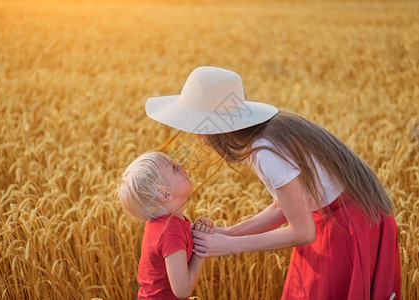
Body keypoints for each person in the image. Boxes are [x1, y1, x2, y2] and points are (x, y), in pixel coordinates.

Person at [145, 66, 401, 299]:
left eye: (199, 128)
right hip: (345, 218)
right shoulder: (267, 135)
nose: (200, 138)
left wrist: (230, 246)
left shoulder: (265, 151)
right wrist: (230, 232)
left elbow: (303, 232)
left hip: (347, 226)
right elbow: (283, 207)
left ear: (216, 129)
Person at [117, 151, 213, 300]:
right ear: (165, 195)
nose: (182, 165)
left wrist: (196, 232)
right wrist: (201, 251)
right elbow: (182, 290)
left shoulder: (163, 224)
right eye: (174, 168)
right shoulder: (170, 231)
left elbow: (178, 243)